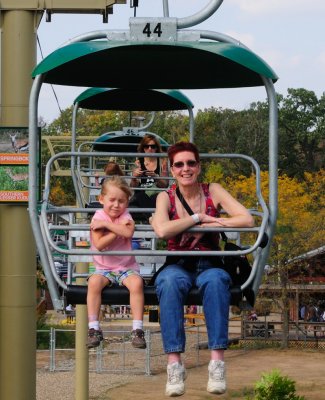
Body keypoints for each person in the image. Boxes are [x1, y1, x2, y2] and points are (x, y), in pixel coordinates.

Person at [150, 141, 254, 396]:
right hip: (178, 262)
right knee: (169, 284)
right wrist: (197, 219)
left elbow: (246, 218)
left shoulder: (213, 191)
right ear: (171, 170)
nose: (186, 169)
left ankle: (216, 362)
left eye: (191, 163)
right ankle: (174, 365)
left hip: (210, 261)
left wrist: (212, 222)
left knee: (217, 281)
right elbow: (162, 229)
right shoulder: (165, 197)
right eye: (179, 164)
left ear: (198, 166)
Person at [87, 175, 146, 349]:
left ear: (126, 203)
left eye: (121, 201)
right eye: (112, 200)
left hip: (126, 267)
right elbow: (99, 244)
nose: (116, 205)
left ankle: (137, 329)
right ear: (101, 199)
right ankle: (93, 328)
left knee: (136, 283)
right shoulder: (97, 216)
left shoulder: (125, 215)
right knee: (94, 283)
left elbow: (128, 233)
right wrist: (118, 230)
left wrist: (107, 227)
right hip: (104, 267)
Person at [130, 134, 168, 209]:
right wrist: (134, 177)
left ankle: (151, 218)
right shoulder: (138, 162)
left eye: (153, 146)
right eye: (146, 146)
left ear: (156, 148)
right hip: (141, 193)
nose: (149, 149)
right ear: (143, 148)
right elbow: (133, 187)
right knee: (140, 196)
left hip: (156, 193)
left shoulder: (162, 162)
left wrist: (156, 177)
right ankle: (152, 218)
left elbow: (165, 185)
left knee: (157, 197)